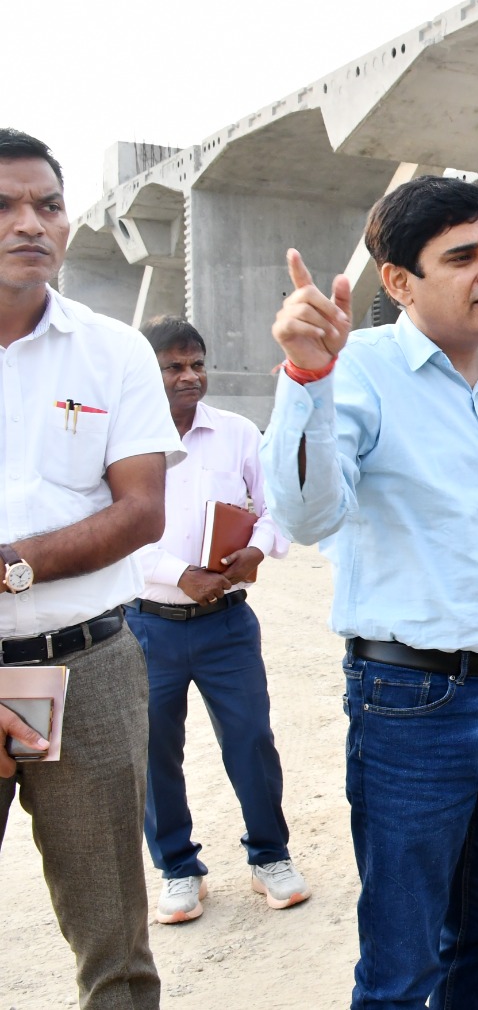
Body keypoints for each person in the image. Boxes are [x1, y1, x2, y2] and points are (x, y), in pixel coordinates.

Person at [260, 175, 478, 1009]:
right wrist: (305, 378)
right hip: (415, 705)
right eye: (462, 257)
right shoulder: (359, 371)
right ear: (400, 282)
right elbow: (307, 514)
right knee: (403, 969)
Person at [0, 129, 182, 1009]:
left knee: (113, 942)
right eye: (4, 205)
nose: (29, 223)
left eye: (47, 204)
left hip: (86, 665)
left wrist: (9, 571)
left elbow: (140, 511)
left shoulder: (114, 351)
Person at [126, 316, 305, 925]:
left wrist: (257, 548)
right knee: (154, 750)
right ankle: (178, 869)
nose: (189, 376)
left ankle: (270, 857)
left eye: (196, 363)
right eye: (173, 366)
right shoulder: (125, 443)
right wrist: (180, 576)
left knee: (252, 738)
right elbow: (119, 535)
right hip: (147, 624)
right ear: (144, 373)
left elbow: (274, 507)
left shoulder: (235, 434)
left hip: (227, 623)